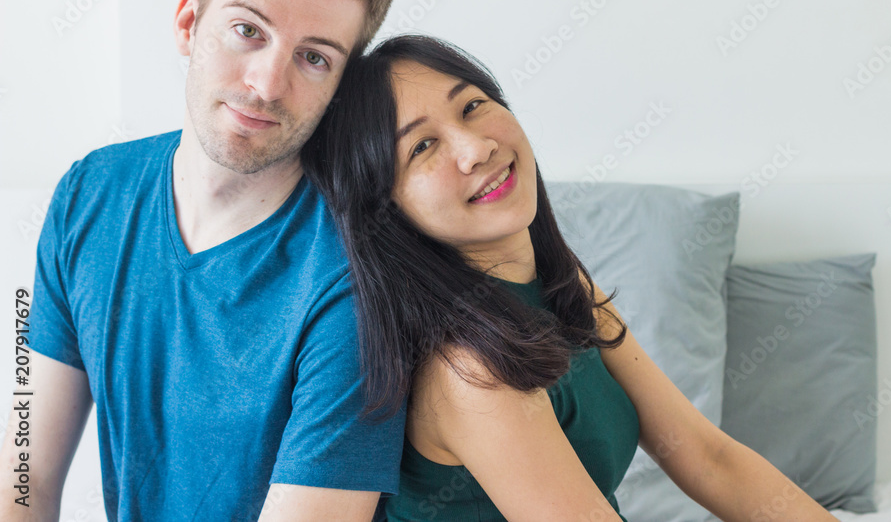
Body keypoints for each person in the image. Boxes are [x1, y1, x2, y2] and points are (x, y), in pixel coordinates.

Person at [302, 34, 841, 521]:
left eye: (472, 106)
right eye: (422, 147)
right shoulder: (469, 371)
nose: (476, 149)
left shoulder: (566, 287)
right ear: (387, 208)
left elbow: (709, 457)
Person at [0, 0, 405, 521]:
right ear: (189, 24)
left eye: (314, 57)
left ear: (341, 84)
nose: (267, 84)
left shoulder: (357, 275)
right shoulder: (87, 192)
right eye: (248, 30)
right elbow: (23, 475)